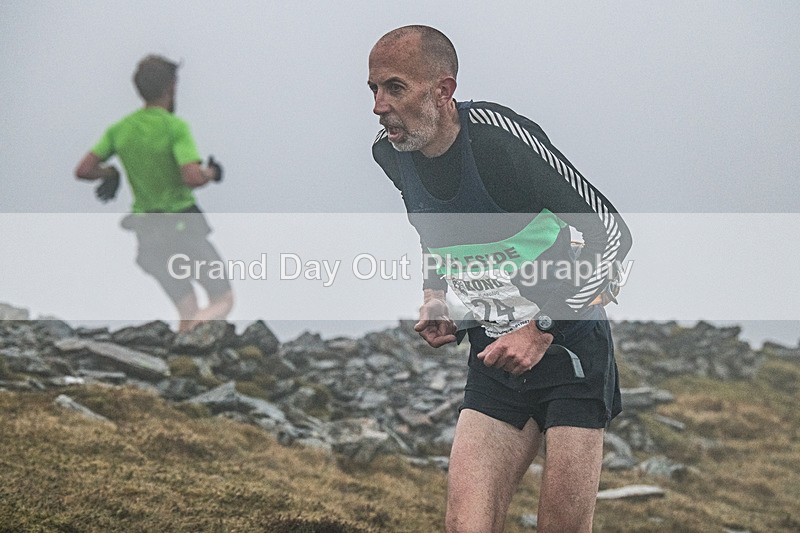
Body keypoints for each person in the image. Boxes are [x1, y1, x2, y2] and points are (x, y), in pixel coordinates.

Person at [368, 26, 632, 532]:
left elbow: (612, 234)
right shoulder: (391, 153)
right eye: (374, 89)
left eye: (395, 88)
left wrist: (541, 328)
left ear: (443, 91)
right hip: (493, 356)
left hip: (570, 350)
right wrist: (434, 296)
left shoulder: (499, 140)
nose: (379, 106)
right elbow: (432, 228)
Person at [75, 55, 233, 331]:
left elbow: (84, 169)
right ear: (171, 86)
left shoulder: (119, 130)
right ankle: (194, 339)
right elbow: (191, 176)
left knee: (187, 309)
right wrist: (211, 173)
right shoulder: (174, 127)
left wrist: (110, 173)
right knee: (223, 298)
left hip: (147, 231)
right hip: (183, 225)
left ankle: (183, 351)